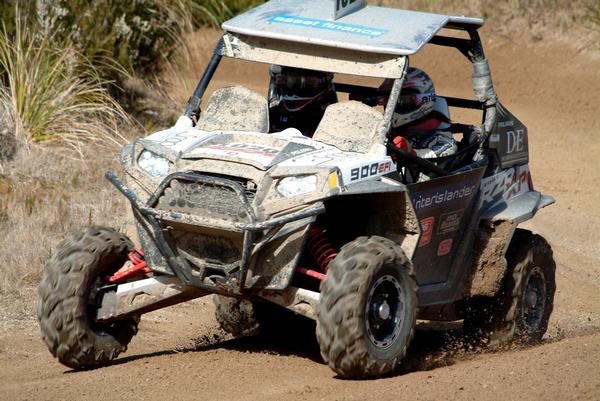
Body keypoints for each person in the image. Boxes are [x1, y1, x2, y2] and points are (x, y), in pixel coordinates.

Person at [379, 67, 458, 160]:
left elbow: (449, 146)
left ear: (422, 100)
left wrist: (411, 152)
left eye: (401, 100)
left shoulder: (435, 131)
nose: (392, 105)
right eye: (389, 101)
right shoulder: (388, 127)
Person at [268, 65, 338, 137]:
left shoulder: (328, 119)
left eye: (294, 77)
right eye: (289, 74)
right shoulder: (274, 112)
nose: (282, 81)